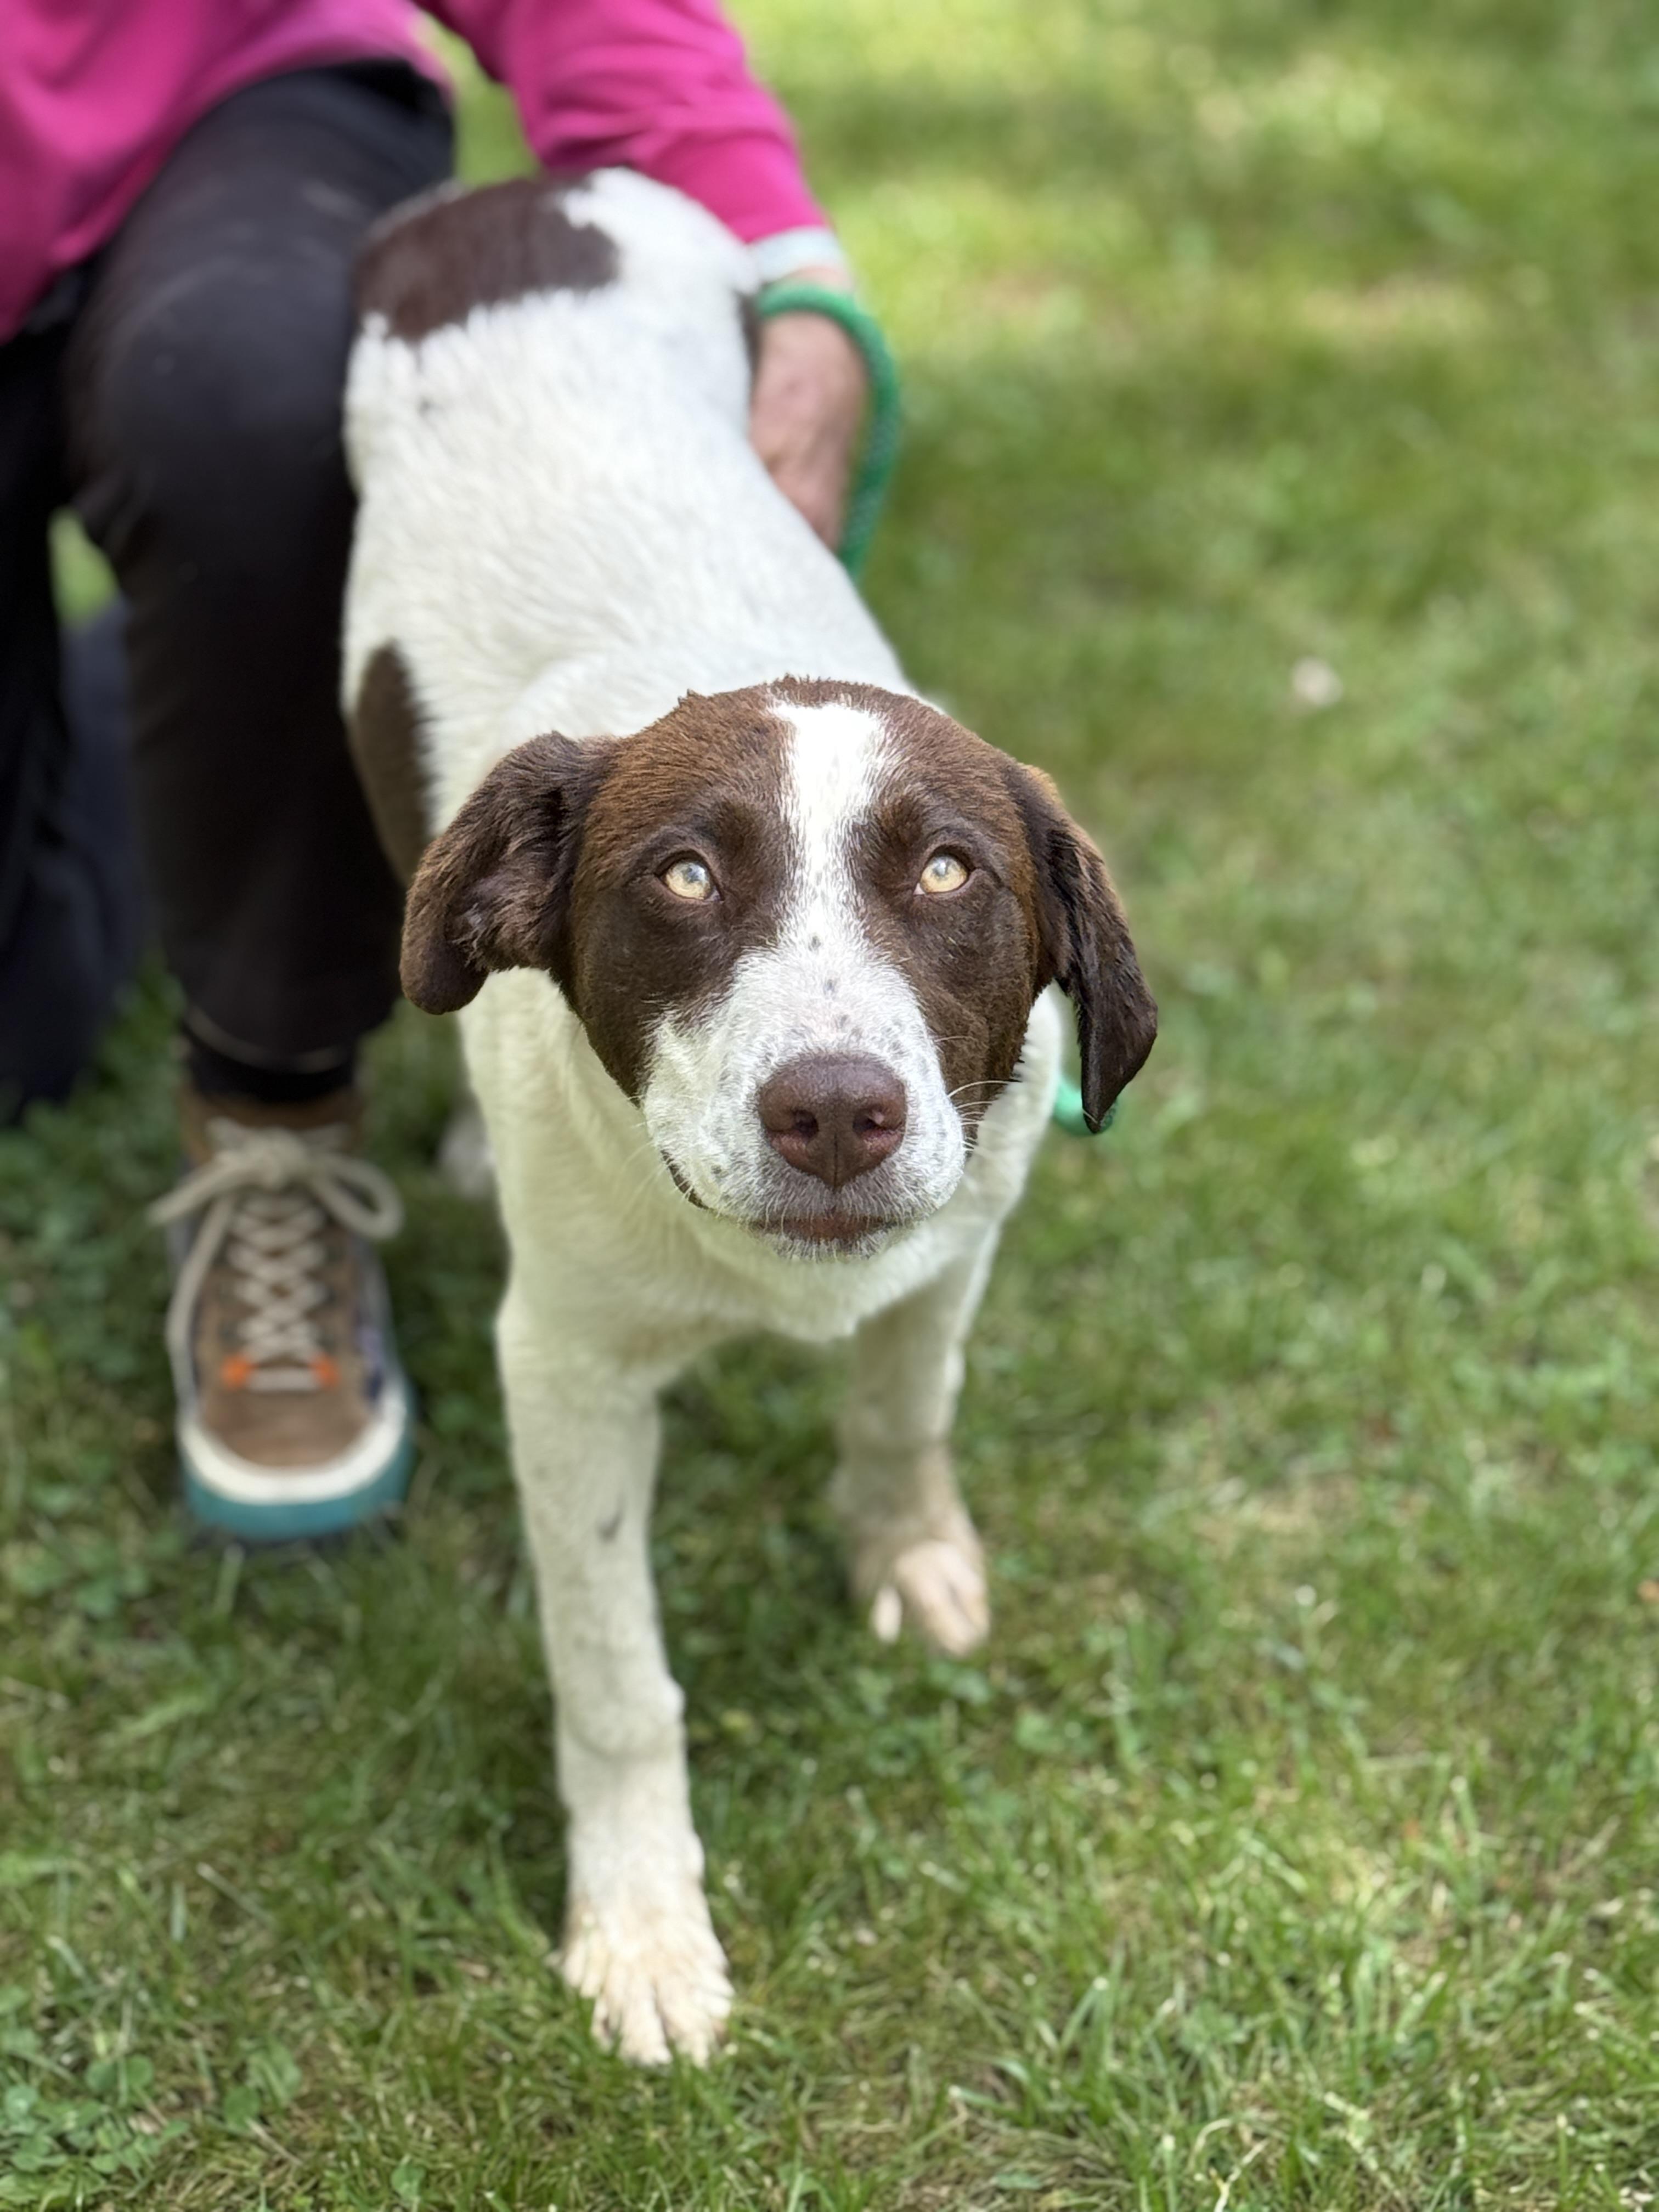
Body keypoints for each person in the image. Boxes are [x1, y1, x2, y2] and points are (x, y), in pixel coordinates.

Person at [2, 1, 870, 1539]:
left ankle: (273, 1111)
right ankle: (191, 677)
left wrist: (785, 260)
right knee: (26, 1027)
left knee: (240, 399)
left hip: (238, 94)